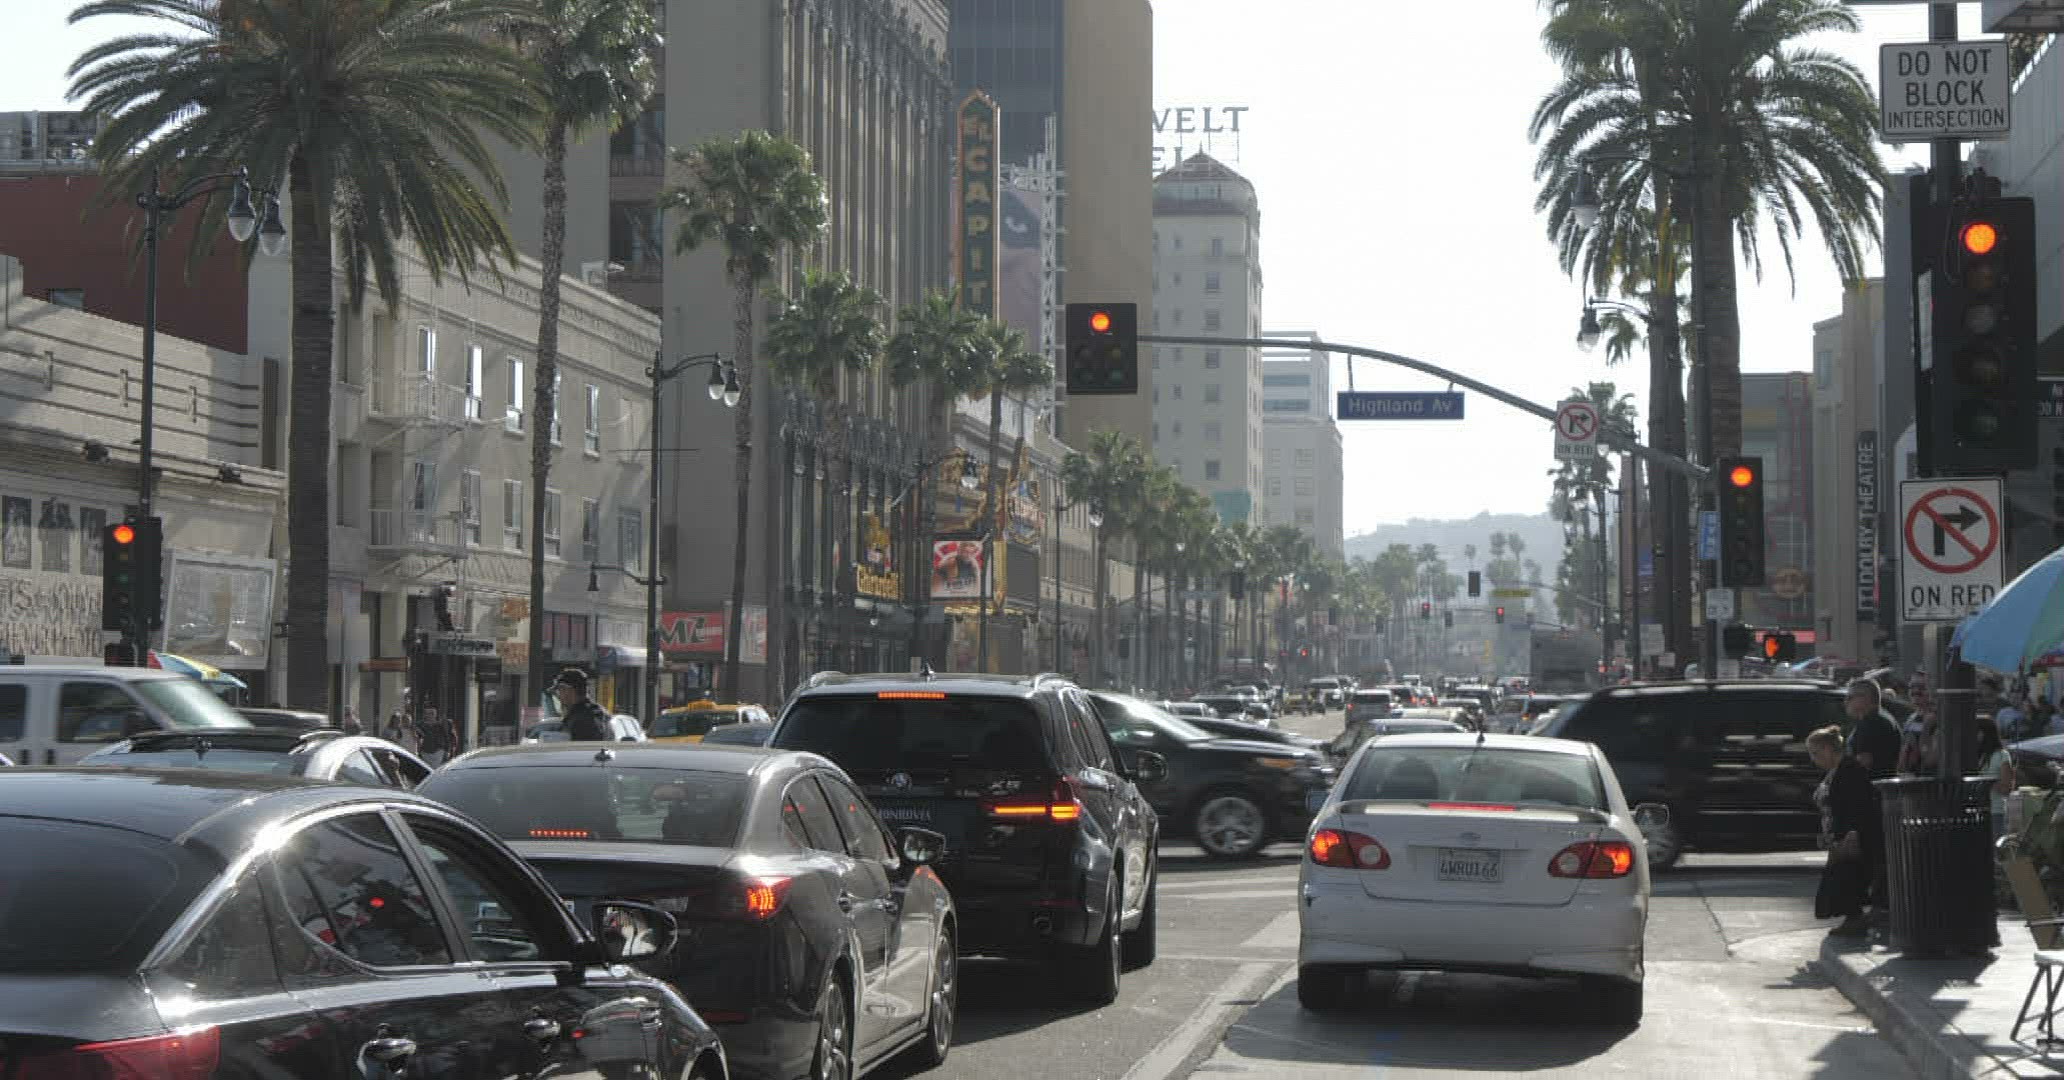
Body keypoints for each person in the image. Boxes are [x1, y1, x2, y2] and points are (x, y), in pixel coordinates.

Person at [1808, 725, 1879, 939]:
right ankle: (1853, 918)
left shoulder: (1850, 770)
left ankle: (1855, 919)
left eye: (1816, 753)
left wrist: (1852, 832)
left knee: (1847, 877)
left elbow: (1858, 804)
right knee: (1842, 877)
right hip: (1840, 833)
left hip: (1850, 834)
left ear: (1828, 749)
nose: (1813, 759)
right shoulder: (1837, 771)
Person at [1978, 717, 2017, 841]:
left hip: (1995, 810)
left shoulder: (2001, 755)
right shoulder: (1976, 755)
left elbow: (2006, 788)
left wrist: (1988, 782)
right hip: (1977, 809)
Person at [553, 668, 613, 742]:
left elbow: (580, 746)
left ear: (569, 690)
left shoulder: (581, 719)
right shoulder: (601, 713)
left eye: (560, 690)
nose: (558, 696)